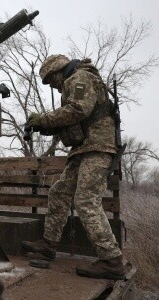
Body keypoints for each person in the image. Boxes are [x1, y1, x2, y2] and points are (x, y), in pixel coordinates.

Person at [21, 54, 126, 280]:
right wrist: (45, 127)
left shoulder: (81, 78)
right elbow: (74, 121)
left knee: (86, 200)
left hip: (97, 147)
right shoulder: (74, 81)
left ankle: (111, 260)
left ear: (58, 72)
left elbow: (79, 110)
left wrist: (44, 120)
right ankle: (49, 244)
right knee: (59, 192)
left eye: (51, 81)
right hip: (82, 149)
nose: (54, 87)